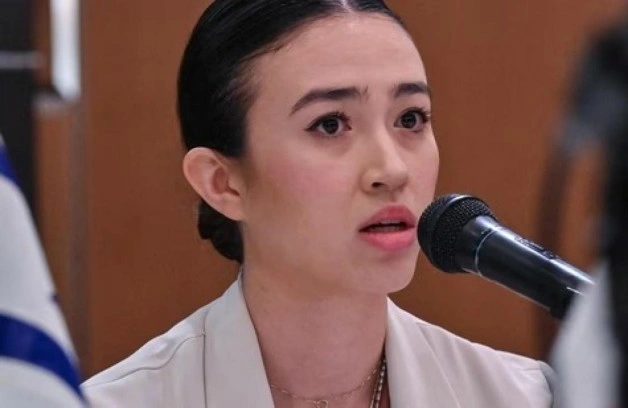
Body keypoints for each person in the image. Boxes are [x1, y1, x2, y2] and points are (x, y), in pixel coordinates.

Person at [82, 0, 559, 407]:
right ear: (223, 183)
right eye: (330, 124)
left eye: (410, 118)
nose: (392, 170)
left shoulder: (526, 397)